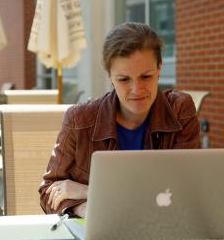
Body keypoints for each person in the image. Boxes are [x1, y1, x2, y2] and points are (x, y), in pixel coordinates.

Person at [38, 22, 200, 217]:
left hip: (160, 230)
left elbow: (184, 192)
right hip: (100, 237)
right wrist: (83, 208)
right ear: (110, 77)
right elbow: (48, 192)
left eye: (146, 77)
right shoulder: (80, 119)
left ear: (159, 69)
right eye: (124, 79)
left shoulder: (179, 110)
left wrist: (91, 193)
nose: (137, 90)